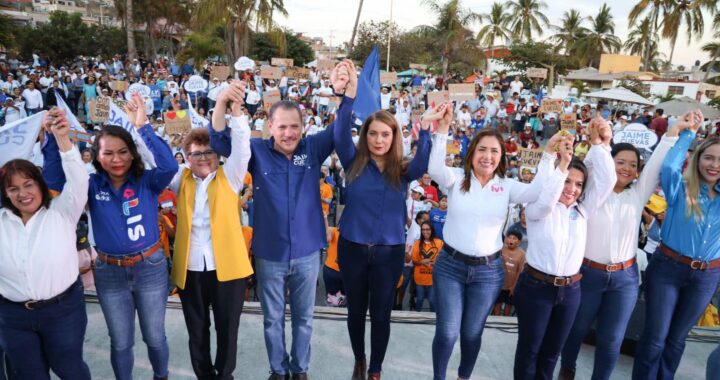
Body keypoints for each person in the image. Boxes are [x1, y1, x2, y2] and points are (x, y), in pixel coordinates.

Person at [209, 63, 351, 380]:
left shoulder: (313, 148)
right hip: (269, 253)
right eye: (282, 127)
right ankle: (278, 369)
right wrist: (222, 102)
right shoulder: (255, 151)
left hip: (307, 252)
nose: (288, 133)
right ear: (269, 126)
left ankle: (299, 369)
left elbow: (340, 130)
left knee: (304, 318)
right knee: (272, 318)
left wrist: (342, 94)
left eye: (294, 127)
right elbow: (218, 140)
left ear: (303, 127)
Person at [42, 93, 179, 380]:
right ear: (95, 155)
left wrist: (143, 127)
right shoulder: (89, 184)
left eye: (123, 152)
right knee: (121, 341)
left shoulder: (148, 180)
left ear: (133, 153)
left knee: (155, 337)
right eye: (108, 153)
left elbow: (169, 167)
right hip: (109, 271)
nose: (116, 159)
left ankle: (161, 376)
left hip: (150, 267)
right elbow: (53, 183)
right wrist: (55, 141)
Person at [427, 105, 563, 380]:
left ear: (501, 157)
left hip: (488, 273)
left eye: (494, 151)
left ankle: (463, 376)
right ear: (472, 153)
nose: (487, 156)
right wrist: (442, 131)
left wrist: (548, 155)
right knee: (447, 331)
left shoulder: (507, 186)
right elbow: (435, 169)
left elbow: (537, 191)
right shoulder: (456, 178)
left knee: (471, 333)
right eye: (482, 149)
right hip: (450, 266)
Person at [559, 118, 683, 380]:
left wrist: (672, 134)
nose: (627, 168)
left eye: (633, 165)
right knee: (576, 328)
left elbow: (657, 162)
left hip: (624, 279)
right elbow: (595, 163)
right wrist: (600, 143)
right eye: (620, 162)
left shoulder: (638, 194)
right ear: (610, 163)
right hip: (588, 274)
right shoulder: (593, 191)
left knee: (612, 338)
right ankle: (567, 368)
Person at [332, 59, 432, 380]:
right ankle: (359, 359)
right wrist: (347, 97)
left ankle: (375, 369)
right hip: (353, 248)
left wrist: (427, 129)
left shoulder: (402, 170)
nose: (378, 139)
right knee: (355, 312)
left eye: (385, 134)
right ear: (365, 136)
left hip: (389, 253)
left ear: (394, 137)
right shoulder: (352, 162)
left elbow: (423, 162)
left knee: (381, 315)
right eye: (373, 133)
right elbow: (338, 132)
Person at [513, 118, 616, 380]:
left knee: (551, 354)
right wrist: (559, 164)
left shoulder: (582, 211)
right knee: (530, 352)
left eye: (578, 184)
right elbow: (548, 197)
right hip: (537, 288)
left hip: (570, 291)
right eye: (568, 181)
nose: (571, 189)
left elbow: (607, 180)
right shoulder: (538, 209)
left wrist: (600, 146)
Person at [169, 81, 254, 380]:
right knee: (197, 328)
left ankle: (224, 375)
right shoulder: (181, 179)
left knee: (228, 327)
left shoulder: (230, 178)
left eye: (208, 153)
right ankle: (203, 374)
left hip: (227, 268)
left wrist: (235, 112)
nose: (203, 158)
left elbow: (242, 147)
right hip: (191, 268)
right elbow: (156, 162)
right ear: (186, 158)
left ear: (218, 155)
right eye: (195, 154)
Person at [0, 108, 90, 380]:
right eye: (13, 189)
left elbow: (79, 178)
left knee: (70, 370)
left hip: (63, 311)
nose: (23, 194)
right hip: (13, 317)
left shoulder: (63, 210)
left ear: (40, 184)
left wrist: (63, 141)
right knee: (30, 375)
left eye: (28, 185)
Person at [633, 110, 720, 380]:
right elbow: (669, 167)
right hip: (668, 269)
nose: (714, 164)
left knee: (676, 340)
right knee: (656, 338)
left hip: (706, 276)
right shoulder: (680, 189)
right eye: (708, 157)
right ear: (697, 160)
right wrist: (688, 135)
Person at [411, 221, 444, 312]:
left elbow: (443, 260)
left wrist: (434, 262)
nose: (425, 232)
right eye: (423, 230)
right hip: (420, 277)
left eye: (427, 229)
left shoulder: (439, 242)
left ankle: (434, 320)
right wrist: (422, 261)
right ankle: (416, 319)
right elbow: (414, 261)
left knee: (432, 300)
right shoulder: (417, 243)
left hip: (433, 277)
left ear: (432, 230)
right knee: (420, 299)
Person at [492, 230, 525, 316]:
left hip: (511, 286)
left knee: (509, 304)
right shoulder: (500, 249)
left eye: (514, 238)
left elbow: (520, 271)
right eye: (509, 237)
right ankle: (496, 321)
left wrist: (513, 286)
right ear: (506, 239)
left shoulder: (522, 254)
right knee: (497, 303)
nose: (511, 240)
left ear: (519, 242)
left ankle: (505, 321)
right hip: (499, 284)